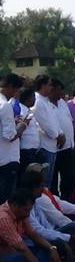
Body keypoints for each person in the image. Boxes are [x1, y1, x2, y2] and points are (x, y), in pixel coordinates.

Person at [0, 189, 64, 262]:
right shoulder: (3, 218)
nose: (28, 214)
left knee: (54, 245)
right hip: (5, 257)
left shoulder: (21, 213)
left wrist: (52, 248)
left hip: (15, 251)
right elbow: (22, 249)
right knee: (20, 259)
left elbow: (33, 234)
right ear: (15, 205)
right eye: (26, 210)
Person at [32, 75, 65, 189]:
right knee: (43, 182)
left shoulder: (46, 101)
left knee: (48, 182)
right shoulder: (37, 101)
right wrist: (57, 135)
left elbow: (54, 121)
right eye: (49, 85)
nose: (51, 88)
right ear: (42, 86)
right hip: (44, 146)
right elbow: (45, 124)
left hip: (52, 146)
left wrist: (61, 133)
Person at [50, 79, 75, 196]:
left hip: (68, 147)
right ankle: (55, 201)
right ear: (52, 90)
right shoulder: (45, 104)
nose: (62, 93)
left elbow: (69, 121)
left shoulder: (62, 103)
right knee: (53, 180)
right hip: (54, 148)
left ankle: (67, 200)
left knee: (70, 178)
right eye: (59, 90)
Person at [0, 74, 23, 203]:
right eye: (15, 90)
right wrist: (22, 126)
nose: (14, 95)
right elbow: (10, 136)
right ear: (9, 87)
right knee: (5, 201)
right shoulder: (5, 105)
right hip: (6, 160)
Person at [16, 88, 41, 174]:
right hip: (26, 150)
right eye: (33, 96)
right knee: (26, 175)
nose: (35, 99)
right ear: (28, 98)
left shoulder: (29, 110)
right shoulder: (21, 110)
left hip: (32, 149)